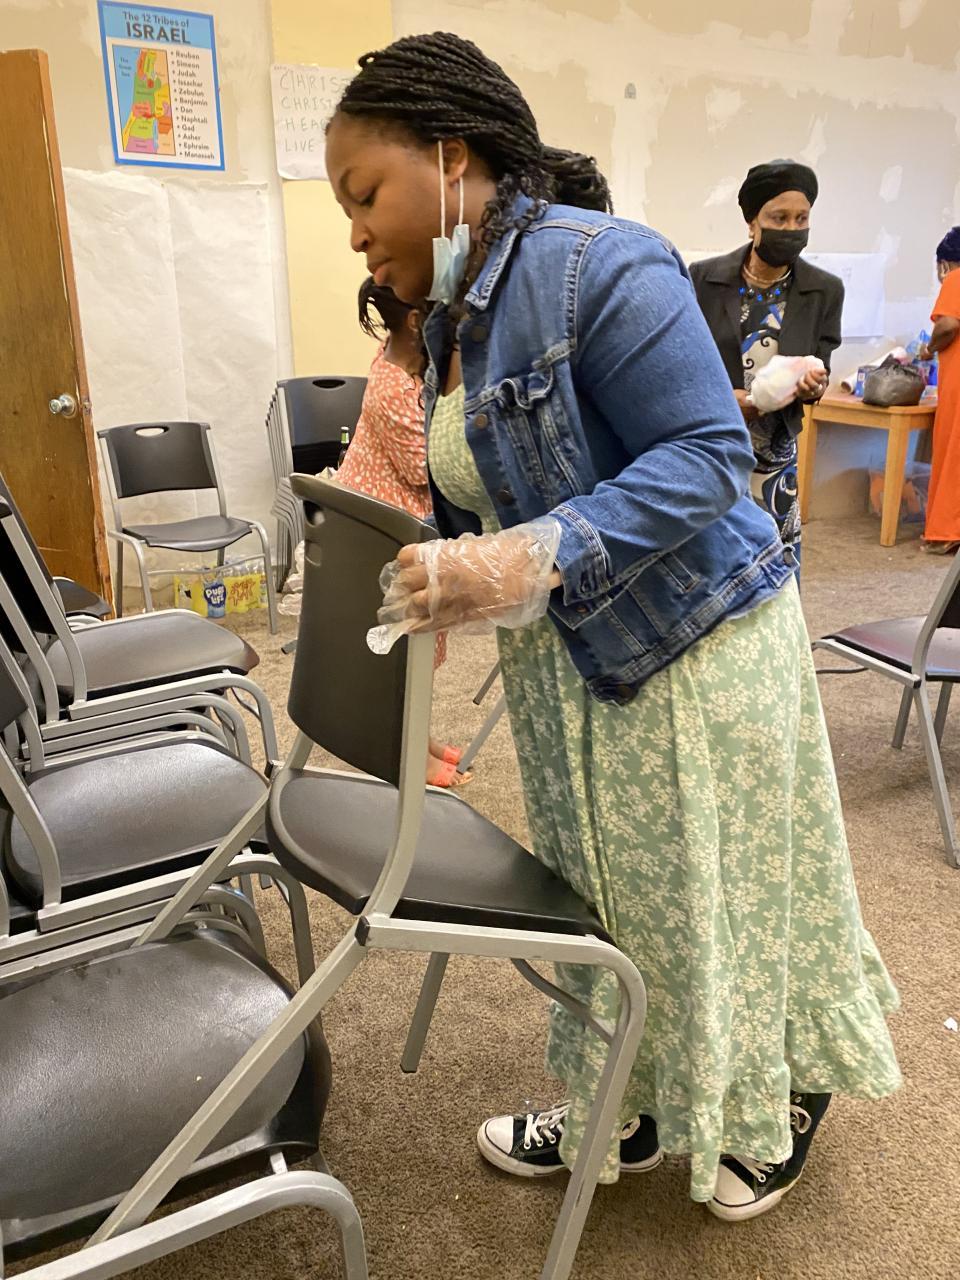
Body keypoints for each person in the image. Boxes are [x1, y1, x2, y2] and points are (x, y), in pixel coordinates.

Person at [325, 32, 900, 1221]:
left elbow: (709, 457)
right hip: (564, 668)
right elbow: (483, 484)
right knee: (610, 902)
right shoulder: (451, 318)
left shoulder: (600, 262)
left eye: (364, 193)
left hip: (687, 649)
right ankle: (627, 1101)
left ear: (450, 157)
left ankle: (772, 1101)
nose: (357, 231)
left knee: (711, 898)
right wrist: (451, 566)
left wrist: (528, 555)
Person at [338, 277, 468, 787]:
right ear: (417, 321)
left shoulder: (401, 358)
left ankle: (416, 733)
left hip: (396, 522)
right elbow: (423, 467)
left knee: (421, 643)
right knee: (405, 644)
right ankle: (404, 747)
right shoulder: (394, 384)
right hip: (384, 528)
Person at [689, 162, 844, 575]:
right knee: (712, 554)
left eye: (801, 218)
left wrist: (813, 384)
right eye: (779, 218)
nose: (792, 228)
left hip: (775, 448)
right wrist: (727, 400)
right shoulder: (703, 280)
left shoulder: (824, 290)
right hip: (712, 440)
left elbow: (822, 365)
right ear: (752, 222)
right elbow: (684, 361)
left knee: (775, 556)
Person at [918, 227, 960, 553]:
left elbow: (948, 324)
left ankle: (946, 533)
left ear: (944, 264)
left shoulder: (956, 278)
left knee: (952, 455)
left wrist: (929, 349)